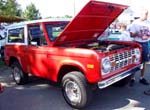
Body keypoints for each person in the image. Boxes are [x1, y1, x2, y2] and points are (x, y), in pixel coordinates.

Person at [128, 8, 150, 87]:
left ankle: (142, 78)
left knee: (144, 61)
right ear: (141, 14)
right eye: (145, 14)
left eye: (147, 14)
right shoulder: (135, 23)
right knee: (135, 61)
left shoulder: (148, 22)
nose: (147, 15)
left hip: (145, 43)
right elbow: (131, 35)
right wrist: (136, 34)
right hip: (137, 43)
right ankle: (132, 78)